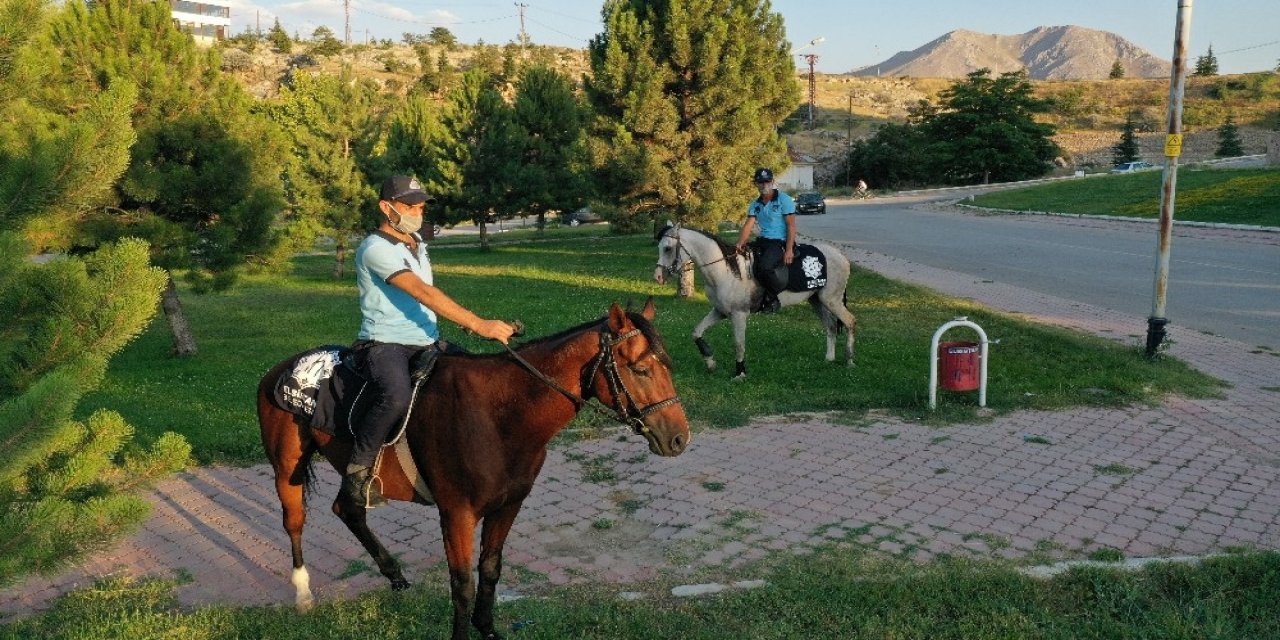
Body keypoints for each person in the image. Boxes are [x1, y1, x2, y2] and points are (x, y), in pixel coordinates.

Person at [343, 175, 516, 509]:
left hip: (427, 341)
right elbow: (422, 292)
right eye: (410, 206)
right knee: (394, 396)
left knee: (477, 382)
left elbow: (425, 300)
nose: (418, 213)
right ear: (386, 207)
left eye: (421, 206)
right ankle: (358, 471)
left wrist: (459, 325)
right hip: (384, 343)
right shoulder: (375, 248)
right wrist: (478, 324)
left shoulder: (416, 244)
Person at [734, 167, 797, 313]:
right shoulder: (755, 205)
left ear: (773, 182)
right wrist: (740, 243)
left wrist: (788, 250)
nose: (764, 185)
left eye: (767, 181)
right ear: (756, 184)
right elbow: (748, 225)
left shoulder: (784, 200)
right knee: (742, 260)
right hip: (764, 241)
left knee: (764, 267)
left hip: (779, 242)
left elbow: (791, 226)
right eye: (760, 182)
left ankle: (773, 297)